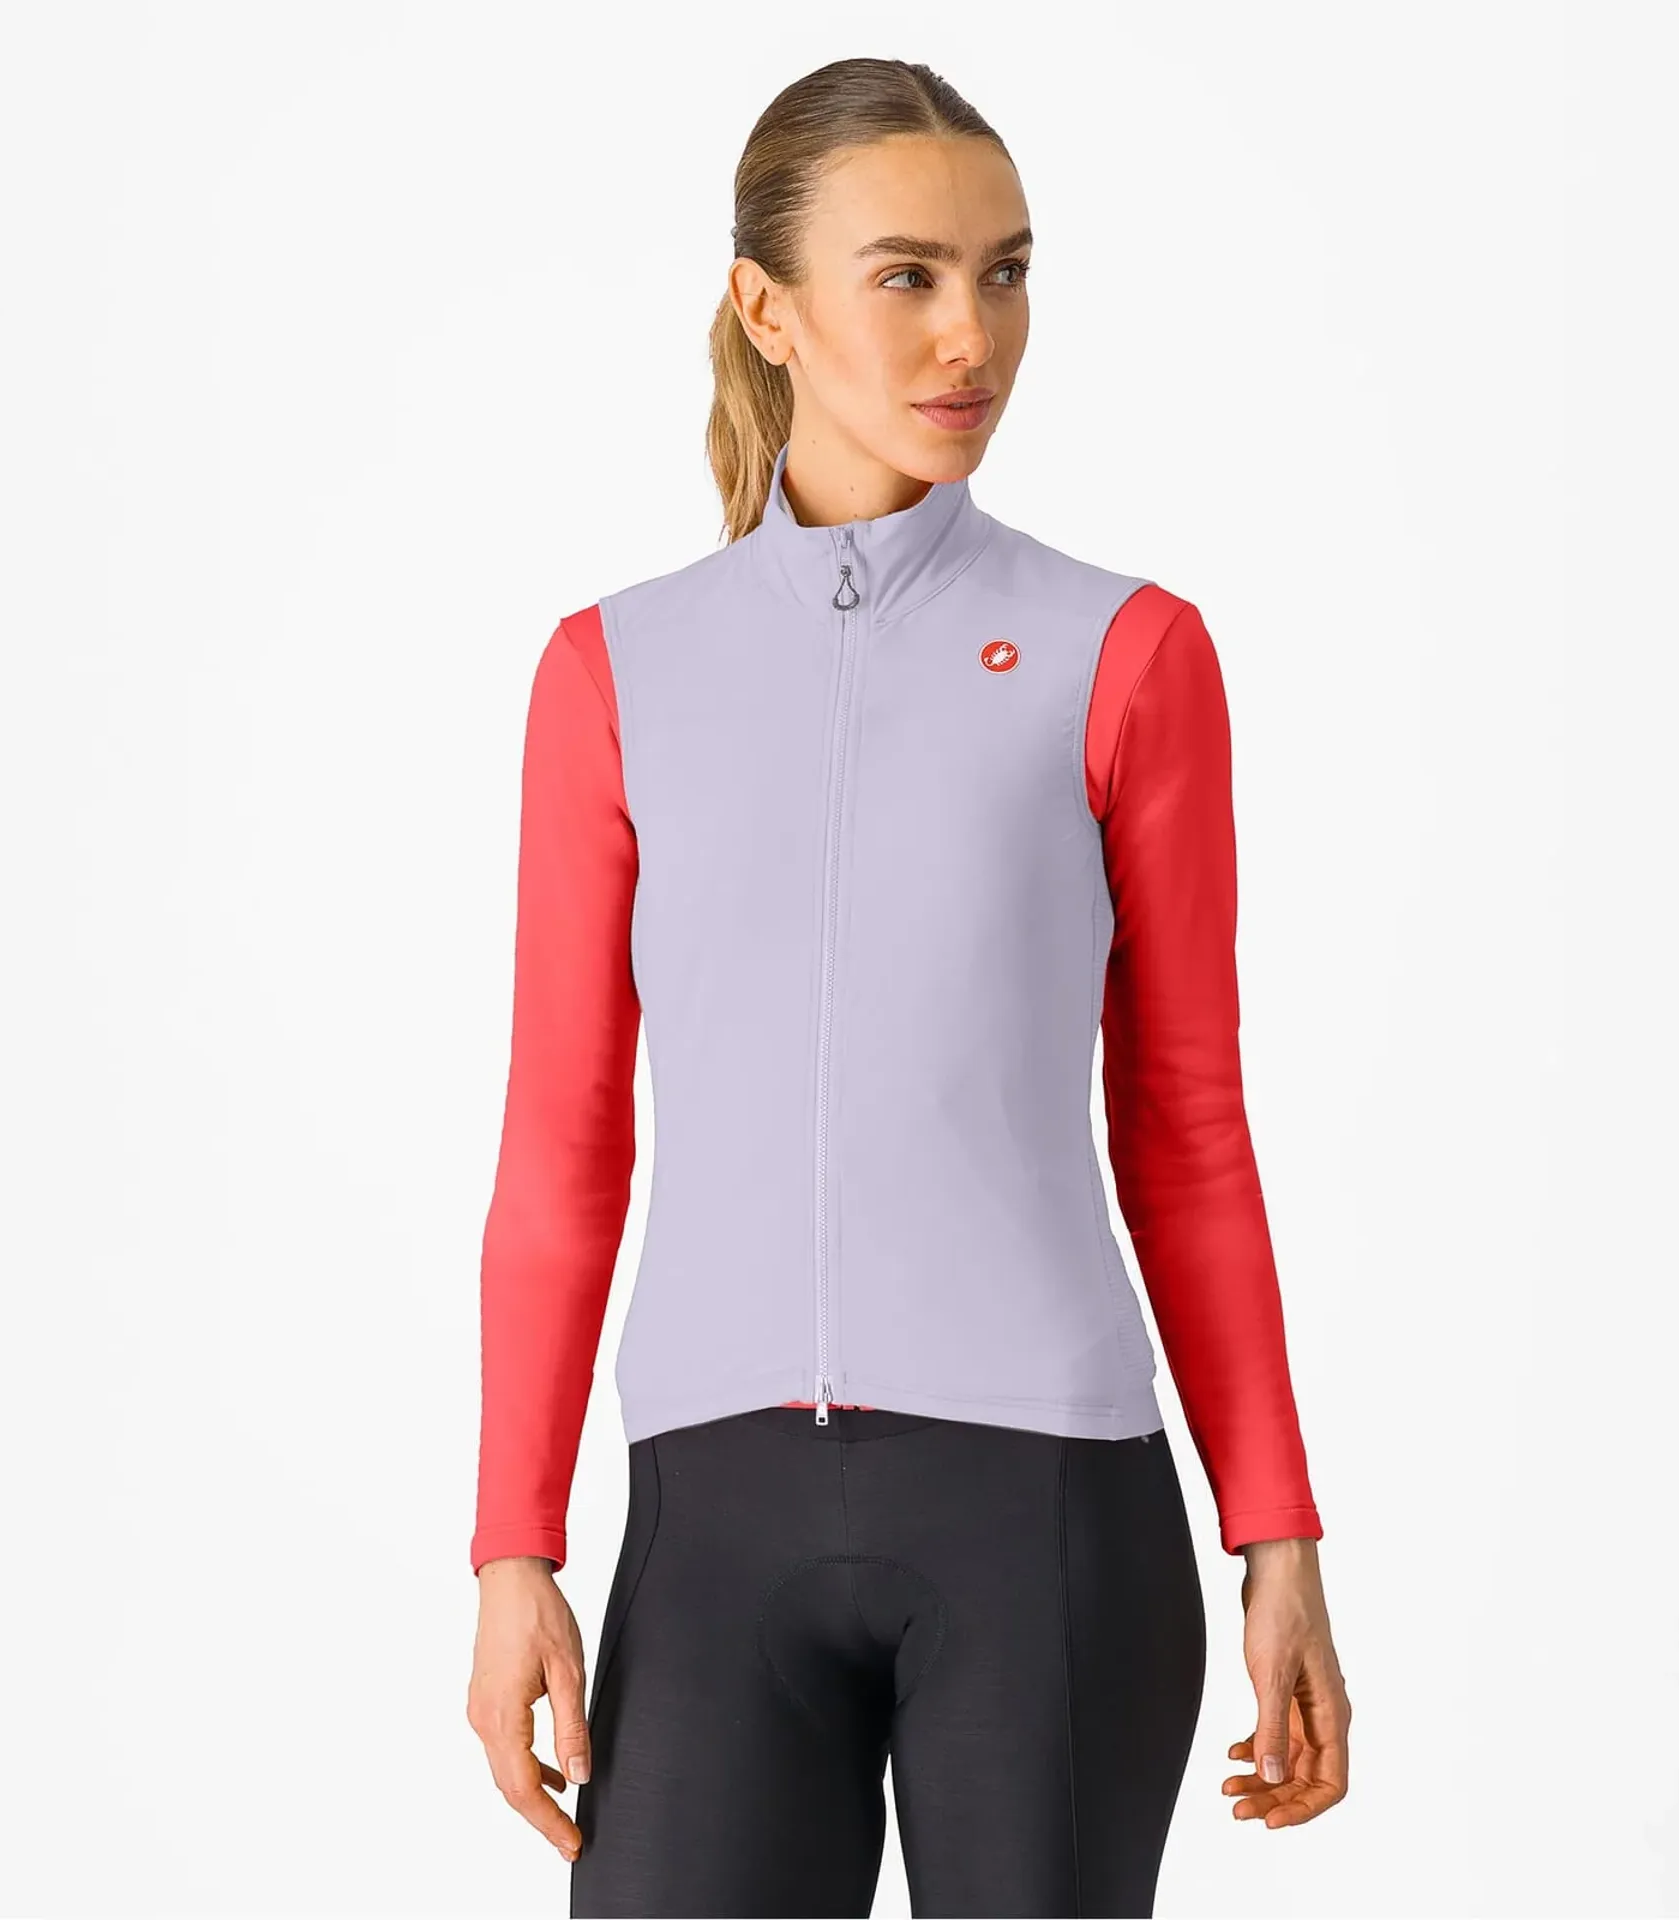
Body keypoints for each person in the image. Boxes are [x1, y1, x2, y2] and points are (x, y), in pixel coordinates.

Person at [464, 55, 1351, 1919]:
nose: (974, 336)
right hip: (711, 1525)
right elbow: (563, 1140)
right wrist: (512, 1546)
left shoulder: (1125, 653)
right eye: (910, 277)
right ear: (766, 306)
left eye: (1006, 272)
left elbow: (1187, 1127)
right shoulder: (615, 672)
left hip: (1047, 1517)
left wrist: (1273, 1530)